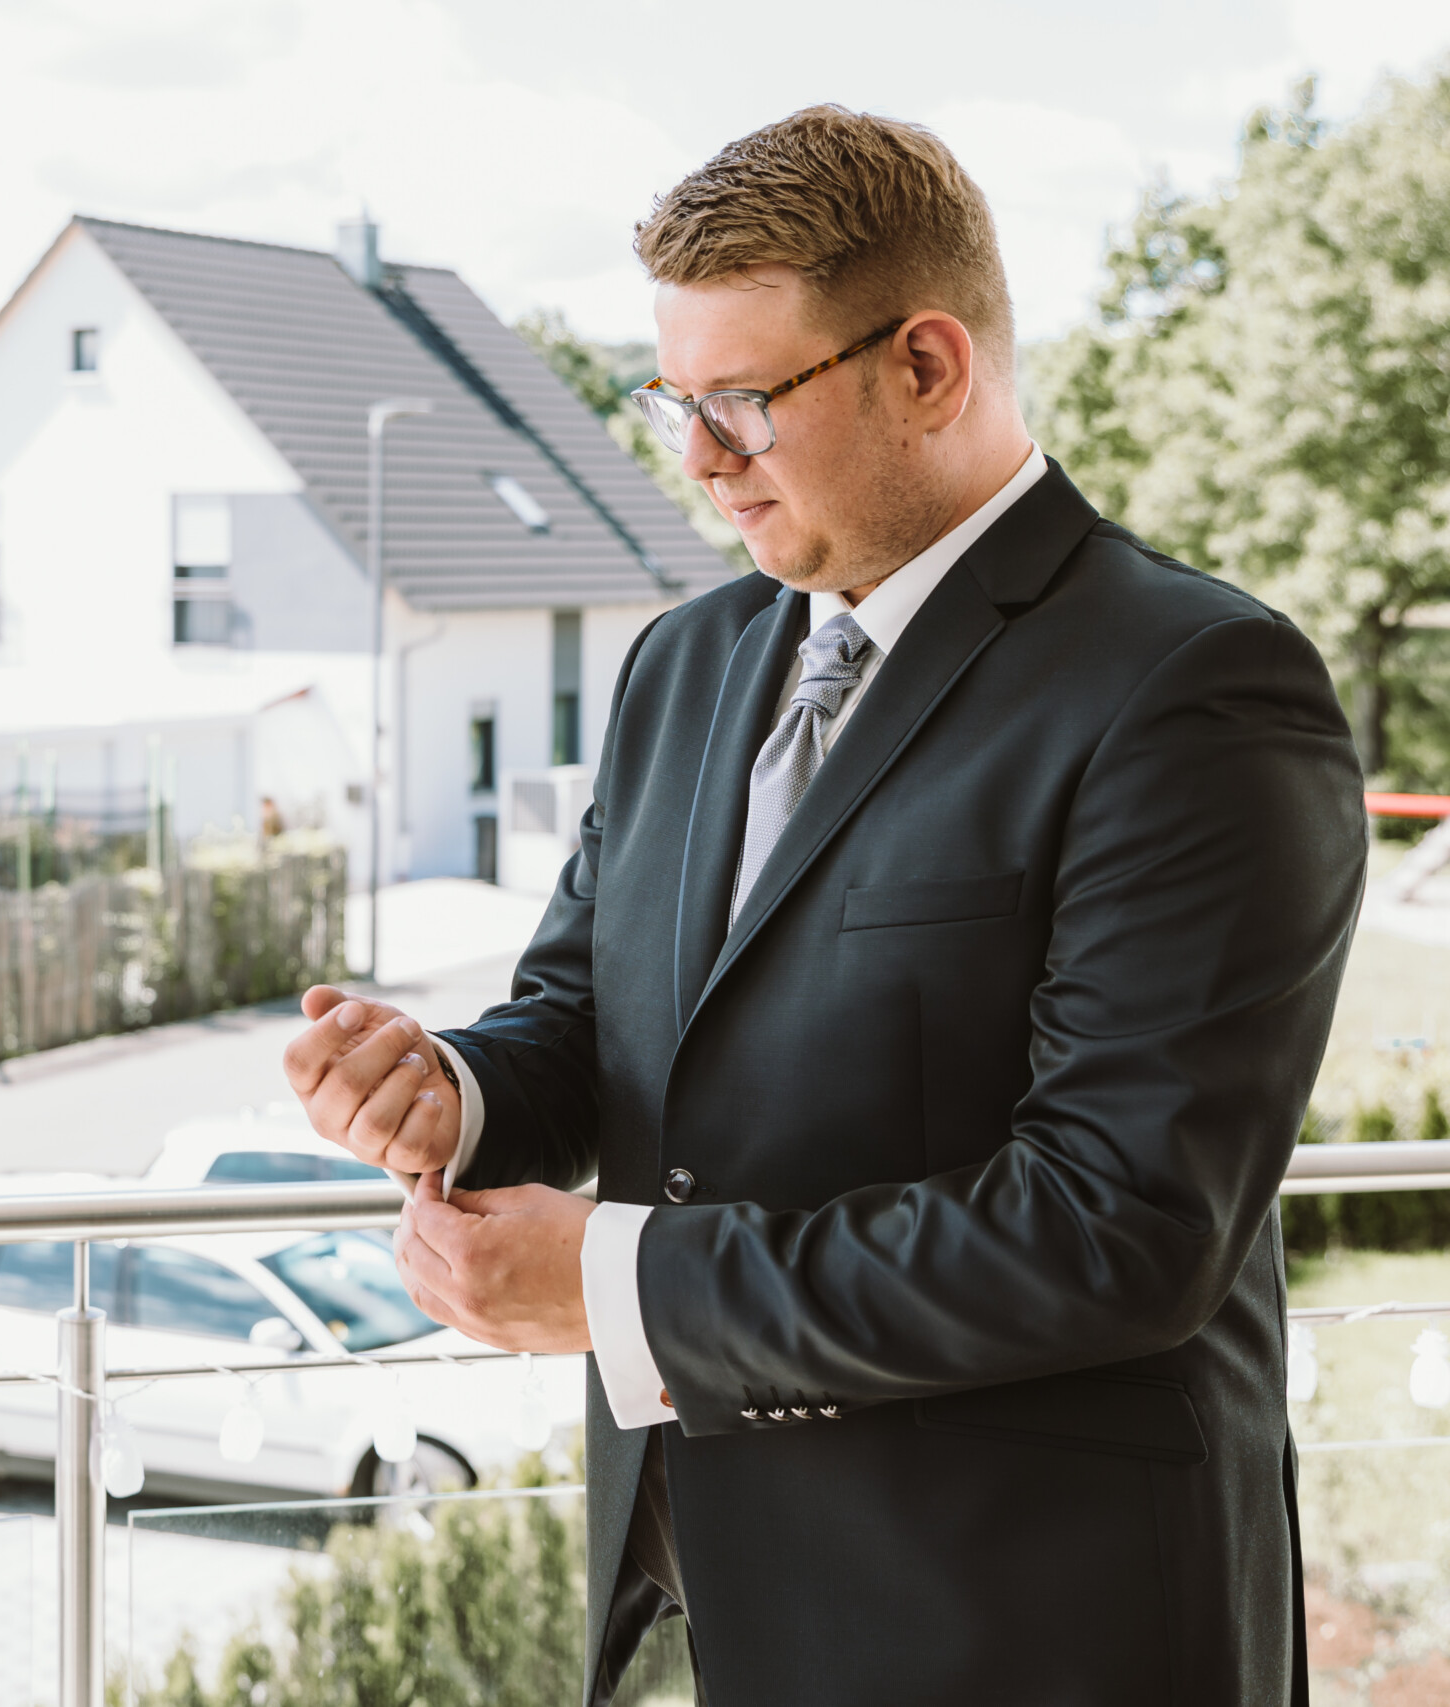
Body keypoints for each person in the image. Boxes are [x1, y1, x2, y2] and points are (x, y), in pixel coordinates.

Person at [283, 106, 1363, 1705]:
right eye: (676, 399)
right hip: (727, 1598)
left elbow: (1117, 1227)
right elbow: (593, 1018)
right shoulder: (684, 663)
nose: (700, 460)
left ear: (929, 364)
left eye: (743, 402)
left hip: (1039, 1623)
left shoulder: (1193, 689)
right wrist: (453, 1088)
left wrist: (609, 1283)